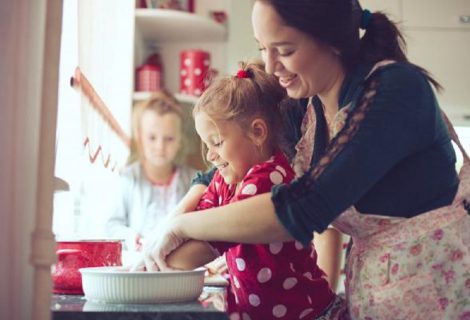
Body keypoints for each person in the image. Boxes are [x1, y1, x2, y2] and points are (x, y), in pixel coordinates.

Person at [141, 1, 470, 319]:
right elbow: (219, 168)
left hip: (439, 288)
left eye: (284, 51)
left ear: (332, 41)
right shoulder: (305, 107)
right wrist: (168, 226)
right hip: (378, 290)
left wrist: (182, 225)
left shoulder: (396, 91)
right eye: (263, 49)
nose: (270, 67)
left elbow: (300, 209)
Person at [138, 61, 343, 319]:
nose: (211, 156)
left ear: (258, 132)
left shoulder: (269, 179)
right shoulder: (226, 179)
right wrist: (162, 239)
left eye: (217, 142)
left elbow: (202, 246)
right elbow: (203, 213)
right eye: (206, 145)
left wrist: (153, 258)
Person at [105, 90, 196, 251]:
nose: (160, 147)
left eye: (169, 139)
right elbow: (112, 225)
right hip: (139, 262)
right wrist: (130, 237)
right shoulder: (128, 177)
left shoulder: (194, 180)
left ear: (179, 140)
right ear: (140, 137)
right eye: (152, 138)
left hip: (180, 263)